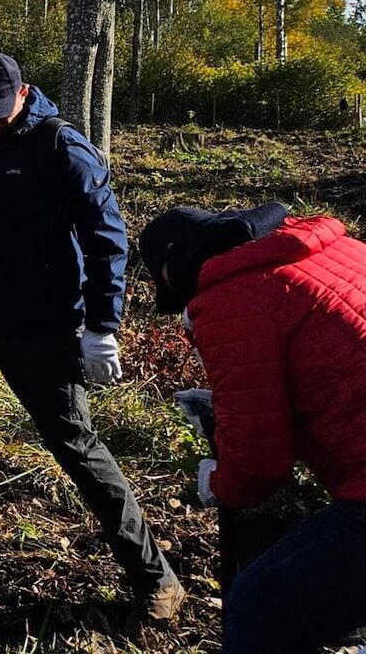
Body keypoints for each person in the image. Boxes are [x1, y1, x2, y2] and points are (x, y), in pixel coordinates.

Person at [0, 51, 184, 621]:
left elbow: (107, 238)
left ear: (22, 94)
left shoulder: (60, 146)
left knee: (73, 443)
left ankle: (155, 577)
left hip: (42, 322)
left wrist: (102, 326)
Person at [139, 203, 366, 652]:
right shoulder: (338, 250)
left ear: (170, 265)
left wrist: (219, 482)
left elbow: (259, 464)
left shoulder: (229, 299)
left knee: (260, 607)